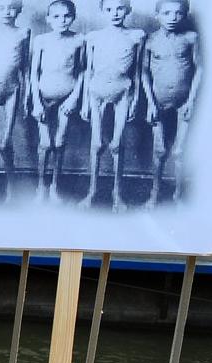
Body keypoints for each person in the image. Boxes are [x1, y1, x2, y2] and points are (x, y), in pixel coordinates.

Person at [82, 0, 146, 208]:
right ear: (102, 11)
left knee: (117, 144)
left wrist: (135, 98)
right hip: (96, 91)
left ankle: (117, 193)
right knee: (97, 143)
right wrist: (84, 101)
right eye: (109, 9)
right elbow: (88, 70)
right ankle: (92, 191)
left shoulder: (136, 36)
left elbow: (137, 70)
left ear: (128, 10)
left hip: (123, 91)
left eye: (120, 8)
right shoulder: (93, 37)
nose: (115, 13)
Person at [142, 0, 200, 205]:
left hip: (184, 100)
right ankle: (154, 193)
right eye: (166, 13)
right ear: (157, 14)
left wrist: (192, 100)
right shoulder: (150, 40)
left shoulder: (191, 38)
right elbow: (144, 72)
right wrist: (150, 102)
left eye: (178, 13)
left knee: (179, 151)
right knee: (159, 150)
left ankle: (177, 196)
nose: (172, 18)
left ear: (185, 15)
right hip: (158, 101)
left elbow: (199, 69)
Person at [29, 0, 86, 200]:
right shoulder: (41, 40)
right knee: (45, 144)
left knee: (60, 142)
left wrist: (74, 98)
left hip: (67, 98)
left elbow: (82, 72)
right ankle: (40, 186)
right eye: (56, 16)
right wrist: (36, 102)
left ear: (73, 17)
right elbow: (33, 74)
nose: (62, 20)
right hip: (43, 97)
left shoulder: (80, 39)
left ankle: (54, 186)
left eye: (67, 16)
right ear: (48, 19)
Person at [0, 0, 31, 194]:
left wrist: (27, 93)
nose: (8, 13)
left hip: (13, 89)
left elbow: (25, 66)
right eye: (2, 7)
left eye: (12, 8)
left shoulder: (23, 32)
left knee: (6, 142)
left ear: (19, 10)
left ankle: (11, 189)